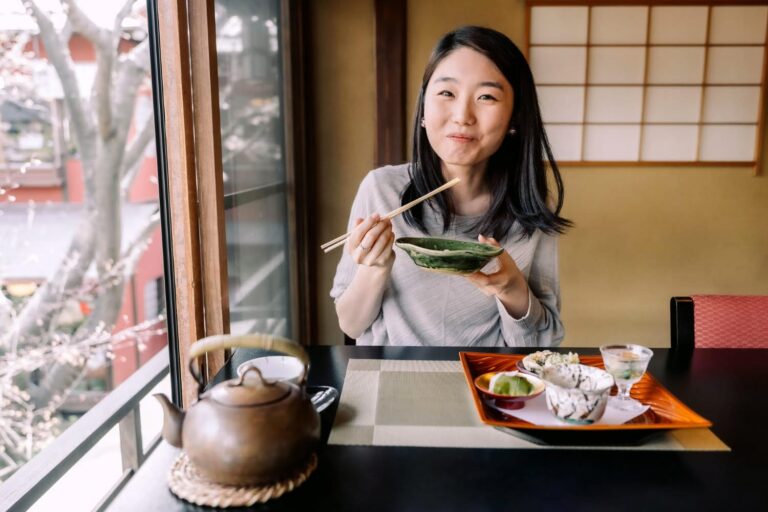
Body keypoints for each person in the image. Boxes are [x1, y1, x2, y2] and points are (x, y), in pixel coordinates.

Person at [330, 26, 571, 347]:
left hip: (487, 375)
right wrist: (375, 268)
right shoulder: (381, 189)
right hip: (394, 374)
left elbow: (541, 345)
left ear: (515, 117)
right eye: (446, 93)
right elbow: (351, 324)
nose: (462, 116)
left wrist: (511, 288)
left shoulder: (529, 206)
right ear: (424, 109)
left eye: (486, 96)